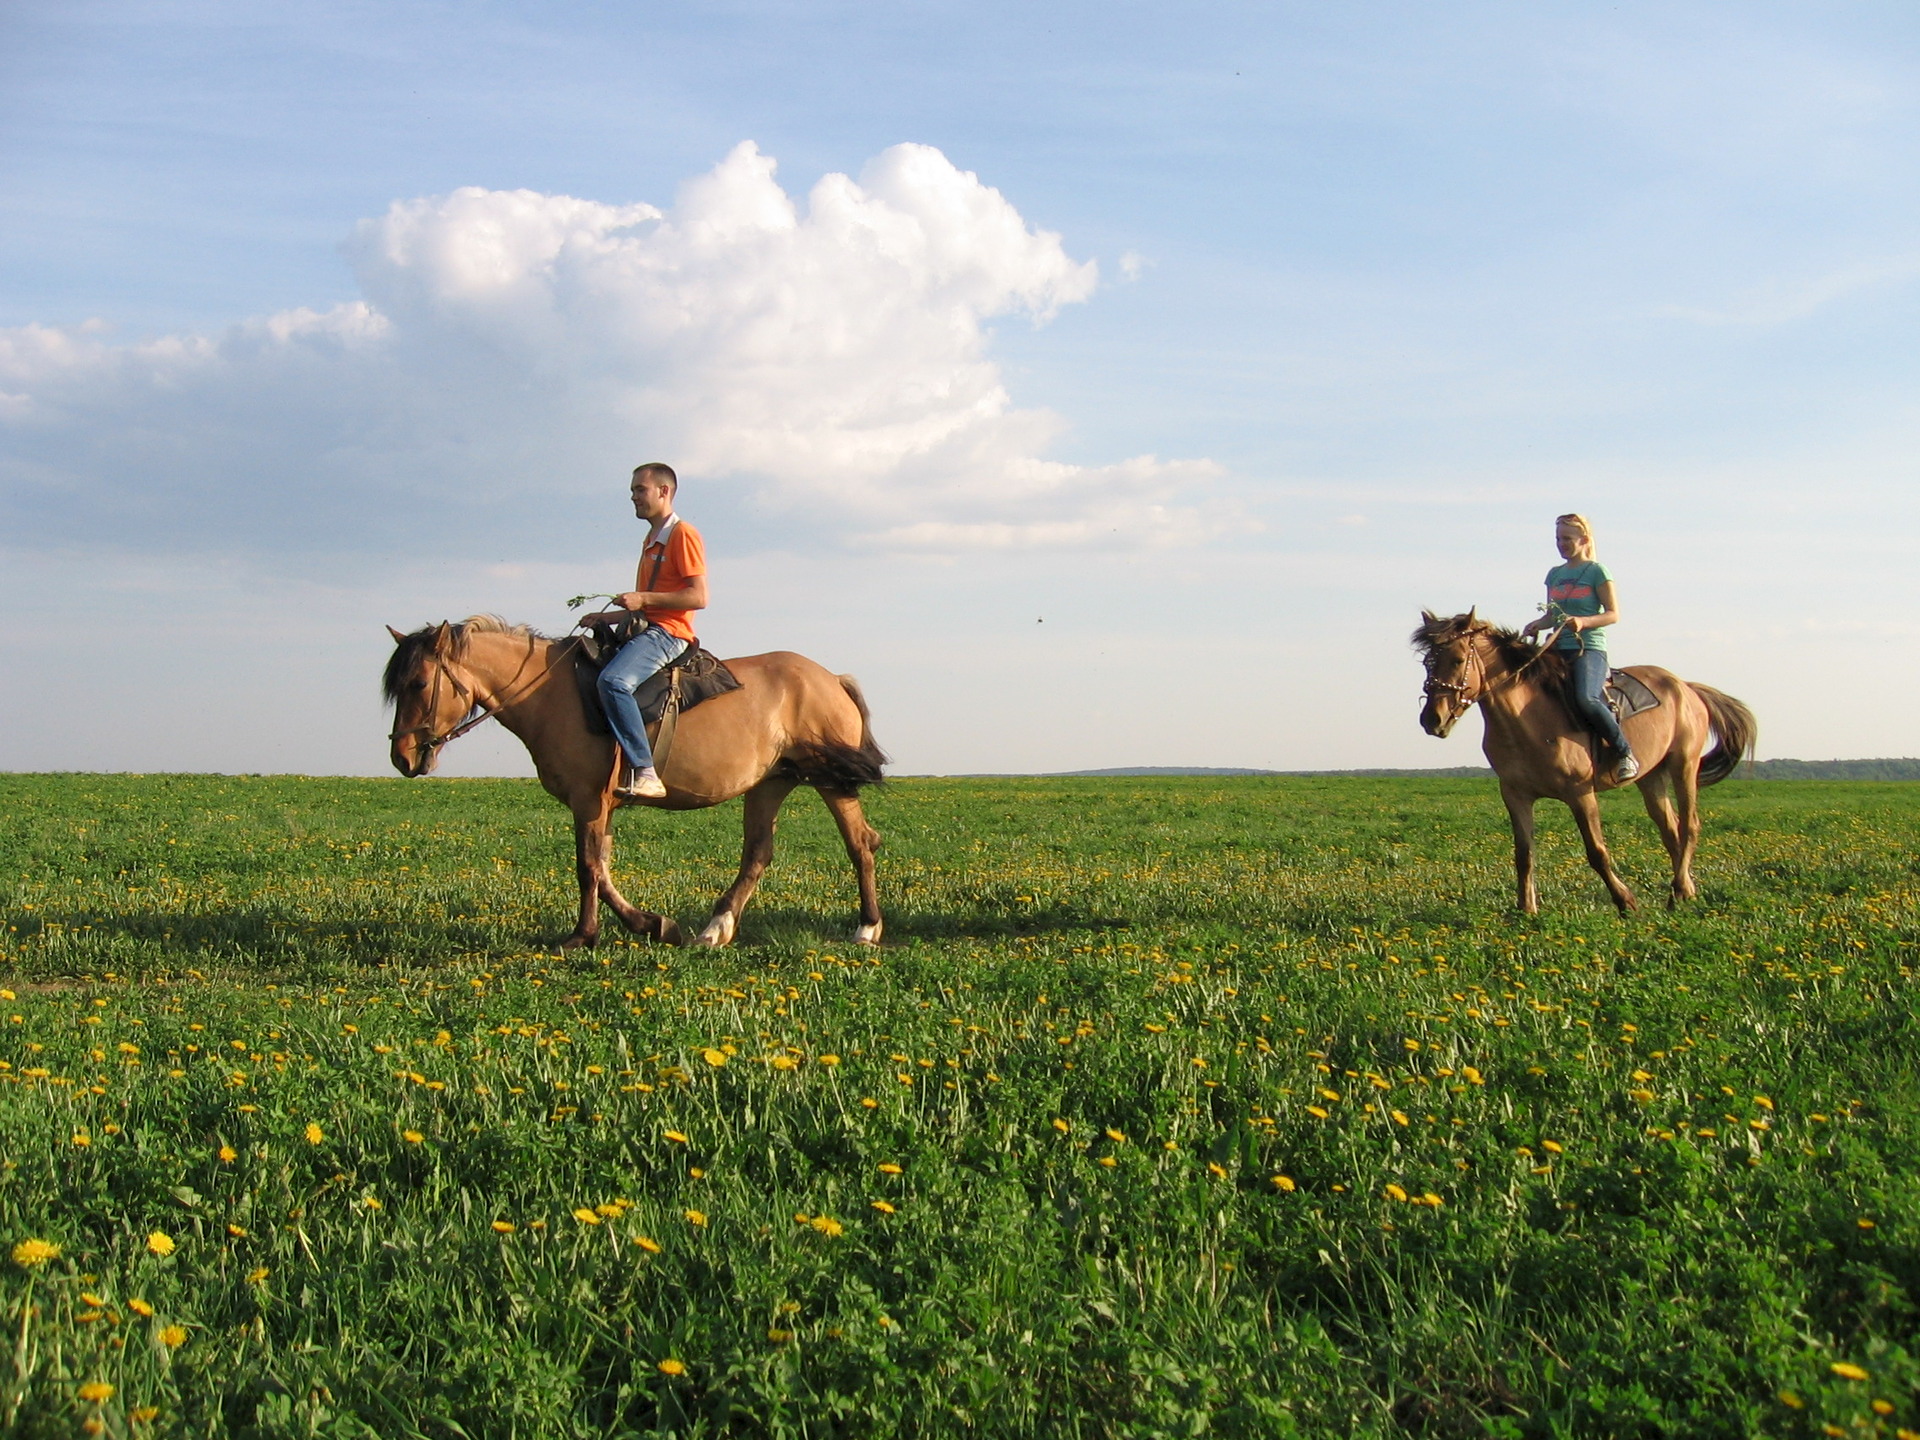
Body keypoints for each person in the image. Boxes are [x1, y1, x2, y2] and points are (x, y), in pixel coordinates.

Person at [580, 463, 708, 800]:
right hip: (650, 626)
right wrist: (606, 618)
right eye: (633, 491)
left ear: (664, 492)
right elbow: (645, 606)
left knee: (613, 681)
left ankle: (645, 771)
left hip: (669, 632)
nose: (634, 497)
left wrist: (642, 598)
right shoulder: (652, 538)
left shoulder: (683, 534)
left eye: (641, 489)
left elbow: (699, 596)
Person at [1521, 512, 1638, 782]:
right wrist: (1538, 624)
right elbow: (1553, 615)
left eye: (1567, 538)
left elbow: (1613, 614)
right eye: (1558, 539)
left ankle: (1623, 752)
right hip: (1556, 647)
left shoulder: (1597, 572)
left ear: (1583, 540)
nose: (1561, 544)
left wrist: (1583, 622)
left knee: (1586, 697)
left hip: (1588, 648)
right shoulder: (1554, 575)